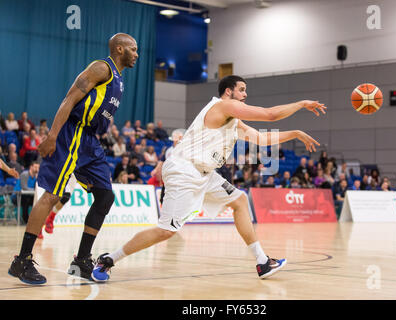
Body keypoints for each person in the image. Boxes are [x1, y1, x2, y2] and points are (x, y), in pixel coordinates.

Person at [91, 74, 326, 282]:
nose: (245, 94)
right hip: (185, 171)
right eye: (242, 89)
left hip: (204, 173)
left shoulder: (233, 120)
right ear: (228, 92)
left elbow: (261, 139)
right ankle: (109, 259)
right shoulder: (223, 107)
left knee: (240, 201)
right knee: (166, 231)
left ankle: (262, 262)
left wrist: (294, 133)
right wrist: (301, 104)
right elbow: (270, 115)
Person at [8, 33, 139, 285]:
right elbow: (69, 99)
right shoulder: (101, 68)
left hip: (91, 142)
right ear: (120, 49)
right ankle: (22, 260)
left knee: (105, 195)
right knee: (52, 195)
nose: (136, 54)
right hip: (73, 134)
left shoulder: (119, 80)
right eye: (133, 49)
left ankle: (80, 260)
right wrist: (52, 135)